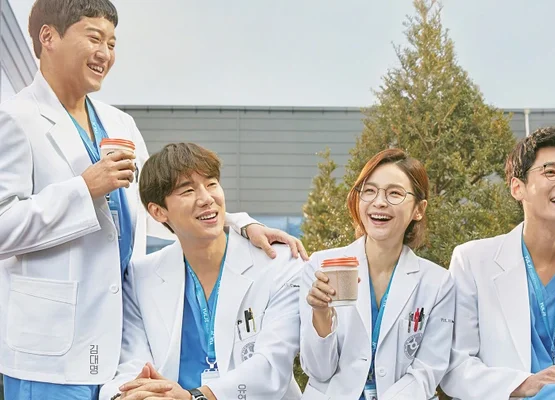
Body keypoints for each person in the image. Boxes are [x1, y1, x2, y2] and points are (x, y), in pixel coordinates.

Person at [0, 2, 305, 399]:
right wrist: (84, 189)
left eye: (112, 43)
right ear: (48, 37)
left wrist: (240, 224)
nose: (105, 53)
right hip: (50, 353)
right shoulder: (14, 118)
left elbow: (162, 201)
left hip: (113, 346)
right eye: (94, 38)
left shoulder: (119, 124)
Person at [99, 143, 302, 400]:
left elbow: (272, 366)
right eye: (188, 190)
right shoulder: (141, 277)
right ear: (158, 212)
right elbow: (132, 363)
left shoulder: (279, 263)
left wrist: (194, 397)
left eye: (212, 184)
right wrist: (131, 396)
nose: (206, 198)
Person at [441, 126, 555, 399]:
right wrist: (525, 384)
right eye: (551, 172)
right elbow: (456, 367)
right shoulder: (473, 261)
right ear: (517, 187)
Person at [300, 148, 455, 399]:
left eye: (394, 193)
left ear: (419, 209)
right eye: (369, 191)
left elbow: (426, 372)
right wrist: (320, 314)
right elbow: (318, 371)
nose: (379, 202)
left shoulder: (438, 283)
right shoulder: (321, 266)